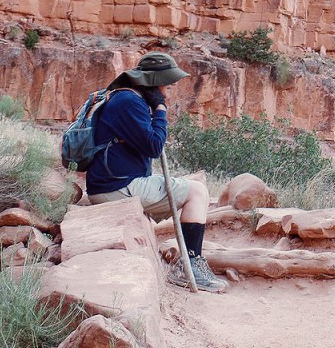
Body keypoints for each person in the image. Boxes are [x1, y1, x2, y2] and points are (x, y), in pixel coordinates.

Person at [85, 52, 228, 293]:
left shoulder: (126, 98)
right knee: (198, 192)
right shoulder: (130, 102)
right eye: (168, 81)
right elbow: (154, 145)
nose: (172, 87)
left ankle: (189, 265)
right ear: (153, 81)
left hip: (114, 182)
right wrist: (160, 109)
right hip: (116, 187)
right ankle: (189, 267)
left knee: (191, 189)